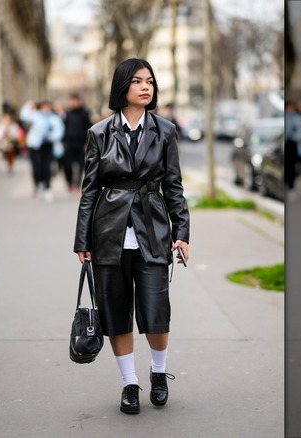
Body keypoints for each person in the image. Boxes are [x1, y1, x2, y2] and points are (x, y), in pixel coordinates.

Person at [74, 58, 190, 415]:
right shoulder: (99, 133)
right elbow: (89, 190)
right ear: (122, 87)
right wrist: (83, 240)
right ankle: (129, 383)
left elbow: (174, 186)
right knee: (117, 313)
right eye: (138, 81)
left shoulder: (166, 130)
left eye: (150, 81)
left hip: (153, 231)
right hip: (108, 233)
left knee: (156, 311)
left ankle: (157, 373)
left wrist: (182, 232)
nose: (146, 86)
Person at [20, 100, 64, 201]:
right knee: (37, 167)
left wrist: (51, 137)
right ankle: (37, 184)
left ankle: (47, 187)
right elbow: (24, 115)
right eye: (44, 107)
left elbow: (60, 130)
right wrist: (28, 105)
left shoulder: (54, 118)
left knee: (47, 167)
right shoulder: (35, 116)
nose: (46, 109)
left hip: (48, 145)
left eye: (47, 107)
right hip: (35, 146)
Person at [63, 93, 92, 193]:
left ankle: (78, 184)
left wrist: (87, 143)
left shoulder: (85, 113)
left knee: (80, 164)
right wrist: (63, 141)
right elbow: (64, 127)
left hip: (81, 142)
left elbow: (89, 127)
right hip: (69, 143)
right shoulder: (67, 113)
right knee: (67, 165)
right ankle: (69, 181)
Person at [284, 100, 301, 201]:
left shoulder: (298, 119)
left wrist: (294, 136)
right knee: (286, 167)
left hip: (294, 146)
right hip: (285, 145)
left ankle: (291, 187)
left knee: (292, 167)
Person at [0, 106, 23, 173]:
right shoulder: (0, 126)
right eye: (6, 118)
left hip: (10, 145)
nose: (7, 119)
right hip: (1, 146)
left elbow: (18, 136)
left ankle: (10, 165)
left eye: (8, 118)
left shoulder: (14, 126)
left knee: (10, 149)